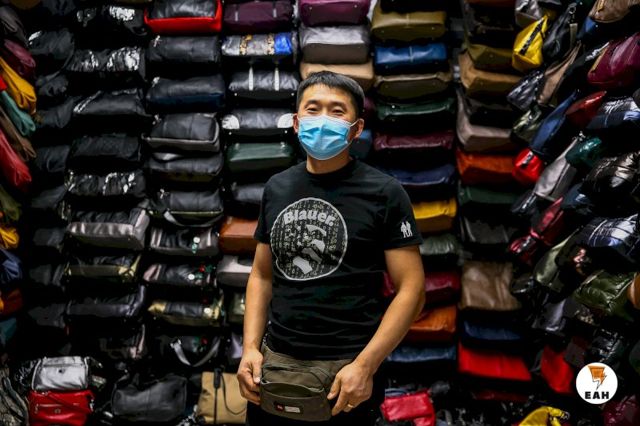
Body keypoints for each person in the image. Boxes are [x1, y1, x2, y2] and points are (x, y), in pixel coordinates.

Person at [237, 71, 426, 426]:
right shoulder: (277, 188)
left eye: (337, 111)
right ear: (296, 122)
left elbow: (412, 290)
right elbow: (262, 275)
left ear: (356, 129)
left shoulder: (384, 193)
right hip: (277, 367)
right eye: (313, 109)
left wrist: (366, 365)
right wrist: (250, 349)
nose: (323, 119)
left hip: (346, 374)